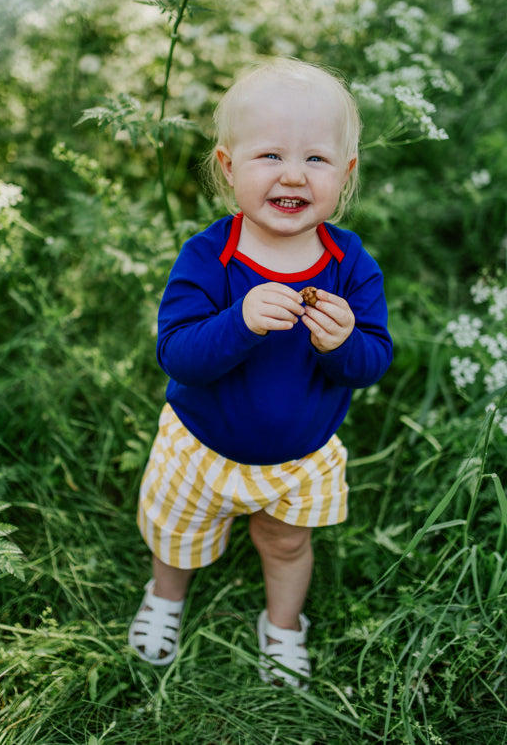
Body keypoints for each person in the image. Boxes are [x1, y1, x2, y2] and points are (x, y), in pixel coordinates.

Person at [128, 58, 392, 688]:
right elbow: (179, 354)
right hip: (200, 447)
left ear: (346, 174)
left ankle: (282, 627)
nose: (293, 174)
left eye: (317, 160)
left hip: (299, 460)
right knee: (177, 537)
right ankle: (166, 598)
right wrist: (239, 321)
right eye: (270, 155)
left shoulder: (350, 265)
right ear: (228, 167)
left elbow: (371, 363)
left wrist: (343, 342)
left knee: (287, 545)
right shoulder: (208, 257)